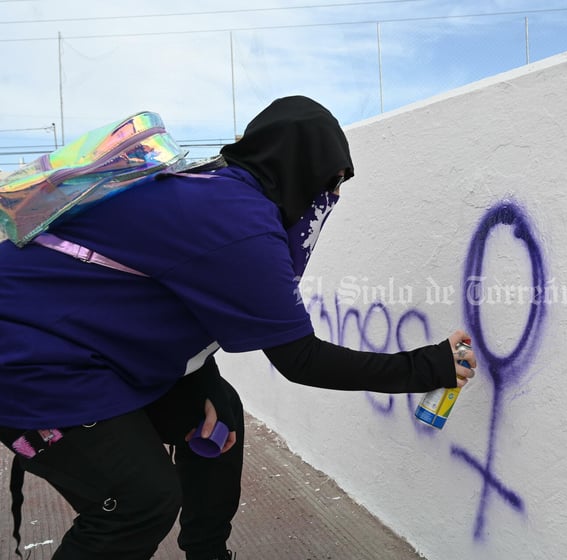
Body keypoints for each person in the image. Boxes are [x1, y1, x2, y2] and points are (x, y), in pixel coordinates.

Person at [0, 96, 476, 560]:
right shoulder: (240, 224)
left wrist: (200, 387)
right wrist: (428, 366)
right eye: (334, 181)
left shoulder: (216, 188)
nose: (332, 197)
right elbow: (300, 359)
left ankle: (206, 553)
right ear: (306, 169)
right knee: (137, 501)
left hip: (84, 346)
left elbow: (178, 301)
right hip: (26, 359)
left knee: (217, 408)